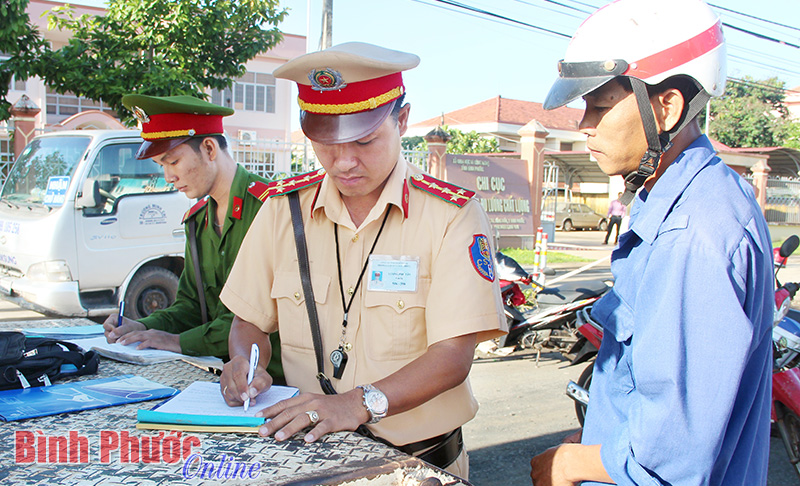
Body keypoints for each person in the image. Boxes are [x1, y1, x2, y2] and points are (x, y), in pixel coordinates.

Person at [218, 42, 506, 477]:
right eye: (327, 143)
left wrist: (354, 405)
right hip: (308, 460)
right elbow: (249, 322)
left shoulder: (451, 216)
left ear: (402, 120)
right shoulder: (283, 210)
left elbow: (452, 354)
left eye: (365, 140)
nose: (345, 161)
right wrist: (246, 362)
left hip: (417, 466)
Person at [529, 1, 774, 485]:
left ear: (666, 107)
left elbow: (672, 456)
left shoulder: (692, 234)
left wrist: (573, 463)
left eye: (600, 106)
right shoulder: (684, 201)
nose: (584, 124)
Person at [102, 94, 282, 382]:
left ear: (209, 148)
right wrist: (141, 326)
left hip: (271, 381)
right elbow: (189, 306)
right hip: (218, 378)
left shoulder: (272, 208)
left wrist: (177, 342)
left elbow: (266, 317)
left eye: (173, 161)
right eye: (162, 165)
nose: (168, 176)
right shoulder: (198, 221)